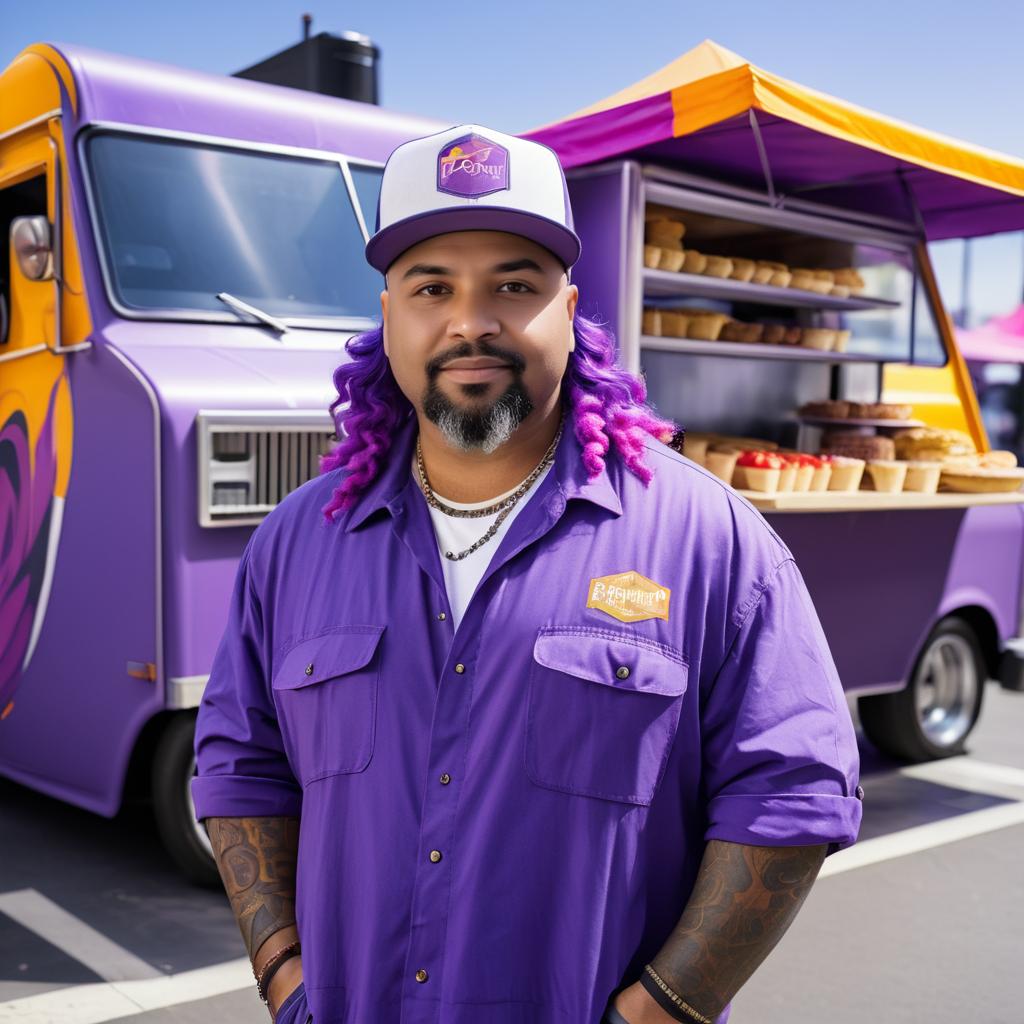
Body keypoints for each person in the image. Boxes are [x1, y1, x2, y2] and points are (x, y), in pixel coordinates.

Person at [193, 123, 864, 1024]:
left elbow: (793, 797)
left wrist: (659, 1012)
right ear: (389, 316)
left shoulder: (711, 541)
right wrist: (287, 983)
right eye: (433, 287)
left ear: (570, 309)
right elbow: (241, 770)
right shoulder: (293, 546)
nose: (472, 319)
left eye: (515, 284)